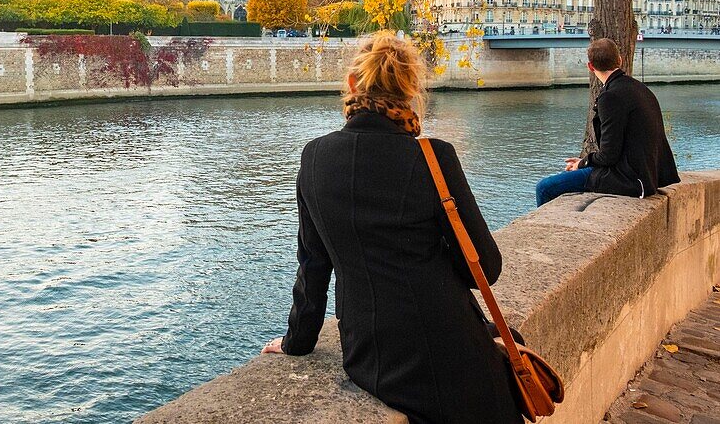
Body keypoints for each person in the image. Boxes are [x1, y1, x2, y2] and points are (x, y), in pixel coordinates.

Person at [261, 31, 521, 424]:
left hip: (371, 354)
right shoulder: (434, 158)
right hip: (451, 345)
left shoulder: (314, 157)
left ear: (351, 85)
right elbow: (485, 267)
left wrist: (297, 342)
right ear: (410, 92)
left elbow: (314, 267)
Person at [535, 38, 679, 206]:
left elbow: (609, 155)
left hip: (629, 181)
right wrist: (584, 163)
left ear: (590, 67)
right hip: (647, 176)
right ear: (620, 60)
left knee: (544, 187)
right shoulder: (640, 89)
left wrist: (582, 163)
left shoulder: (611, 96)